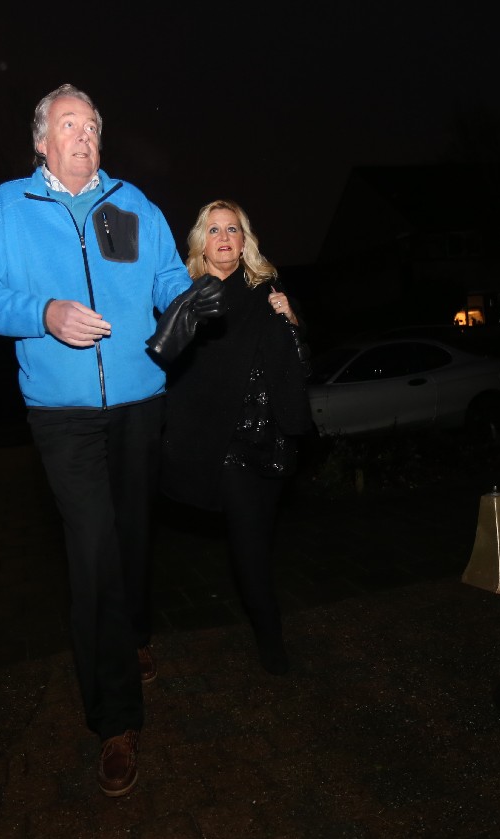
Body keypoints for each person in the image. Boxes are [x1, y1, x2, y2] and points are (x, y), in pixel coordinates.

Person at [0, 83, 208, 798]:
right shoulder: (5, 208)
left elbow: (167, 278)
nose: (84, 135)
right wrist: (43, 312)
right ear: (41, 141)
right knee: (93, 551)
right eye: (69, 124)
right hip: (62, 414)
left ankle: (134, 632)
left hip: (139, 403)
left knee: (131, 539)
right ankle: (116, 721)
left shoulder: (131, 204)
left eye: (92, 124)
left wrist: (196, 300)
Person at [160, 199, 315, 675]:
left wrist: (292, 320)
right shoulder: (188, 297)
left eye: (232, 229)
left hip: (270, 436)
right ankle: (272, 641)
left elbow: (299, 364)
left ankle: (264, 623)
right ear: (200, 243)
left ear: (244, 240)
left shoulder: (268, 292)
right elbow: (172, 366)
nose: (224, 237)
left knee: (260, 539)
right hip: (223, 443)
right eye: (214, 230)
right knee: (248, 544)